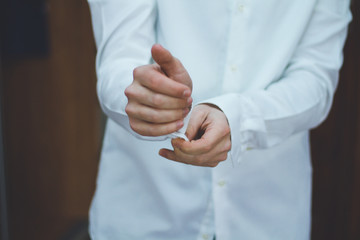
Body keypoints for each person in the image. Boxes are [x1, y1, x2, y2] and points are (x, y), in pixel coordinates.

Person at [87, 1, 352, 239]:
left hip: (266, 214)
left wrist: (240, 118)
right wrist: (143, 97)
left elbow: (315, 78)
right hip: (147, 209)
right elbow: (119, 61)